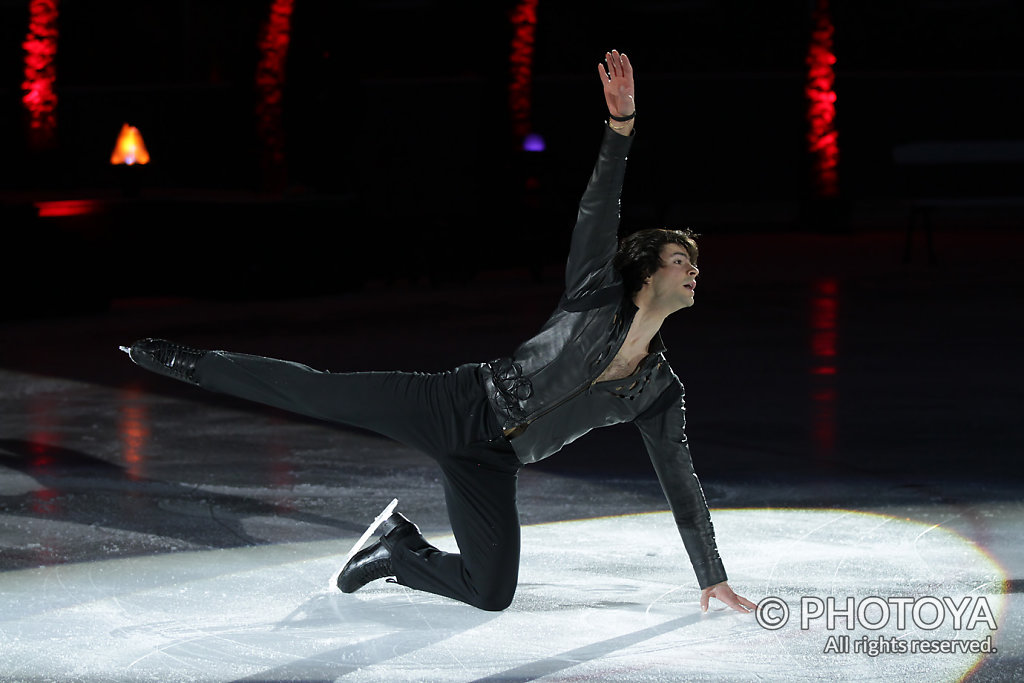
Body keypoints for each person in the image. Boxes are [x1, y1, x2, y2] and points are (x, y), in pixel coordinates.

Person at [122, 50, 755, 615]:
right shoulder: (596, 290)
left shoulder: (658, 391)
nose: (694, 270)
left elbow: (681, 482)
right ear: (646, 272)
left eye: (695, 263)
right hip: (457, 403)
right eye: (680, 260)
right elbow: (599, 205)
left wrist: (712, 576)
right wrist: (620, 128)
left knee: (491, 593)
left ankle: (397, 552)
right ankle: (183, 361)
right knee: (318, 392)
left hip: (493, 461)